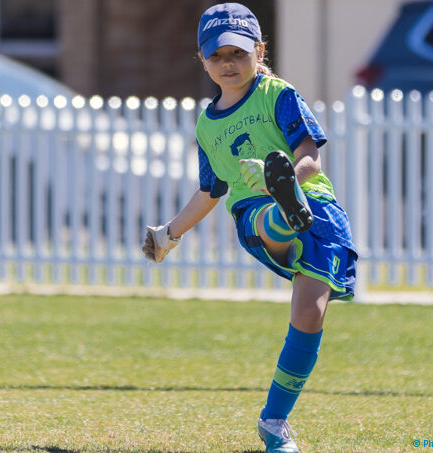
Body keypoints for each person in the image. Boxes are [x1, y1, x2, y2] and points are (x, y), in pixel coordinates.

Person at [141, 3, 358, 453]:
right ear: (202, 60)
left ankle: (274, 422)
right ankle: (282, 210)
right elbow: (210, 191)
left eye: (238, 53)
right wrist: (170, 233)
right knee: (267, 216)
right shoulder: (206, 126)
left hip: (318, 208)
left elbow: (311, 157)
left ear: (259, 51)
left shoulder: (277, 94)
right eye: (217, 55)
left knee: (310, 315)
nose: (228, 63)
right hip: (256, 216)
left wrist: (291, 182)